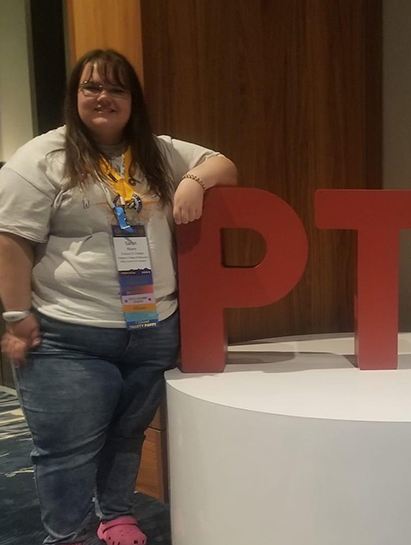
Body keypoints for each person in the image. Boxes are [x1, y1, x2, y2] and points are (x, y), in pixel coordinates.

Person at [0, 49, 237, 545]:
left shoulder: (159, 151)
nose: (103, 97)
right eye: (92, 87)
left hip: (152, 329)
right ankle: (67, 535)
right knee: (66, 450)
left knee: (126, 436)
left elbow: (224, 165)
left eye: (116, 89)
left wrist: (193, 180)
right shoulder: (42, 157)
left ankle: (116, 515)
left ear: (133, 101)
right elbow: (11, 242)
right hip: (70, 335)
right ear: (75, 96)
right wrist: (16, 317)